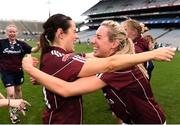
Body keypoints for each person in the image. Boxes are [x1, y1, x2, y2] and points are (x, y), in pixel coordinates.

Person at [22, 20, 175, 124]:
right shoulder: (106, 62)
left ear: (114, 44)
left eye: (99, 37)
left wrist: (30, 70)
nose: (92, 41)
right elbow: (79, 60)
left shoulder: (117, 67)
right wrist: (45, 77)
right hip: (131, 120)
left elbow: (67, 89)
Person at [0, 24, 40, 123]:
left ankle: (20, 104)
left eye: (14, 32)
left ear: (16, 33)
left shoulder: (21, 44)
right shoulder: (1, 43)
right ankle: (13, 114)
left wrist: (39, 46)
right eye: (10, 31)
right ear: (6, 33)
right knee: (11, 93)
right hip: (6, 72)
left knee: (18, 90)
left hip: (18, 72)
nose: (12, 33)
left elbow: (33, 50)